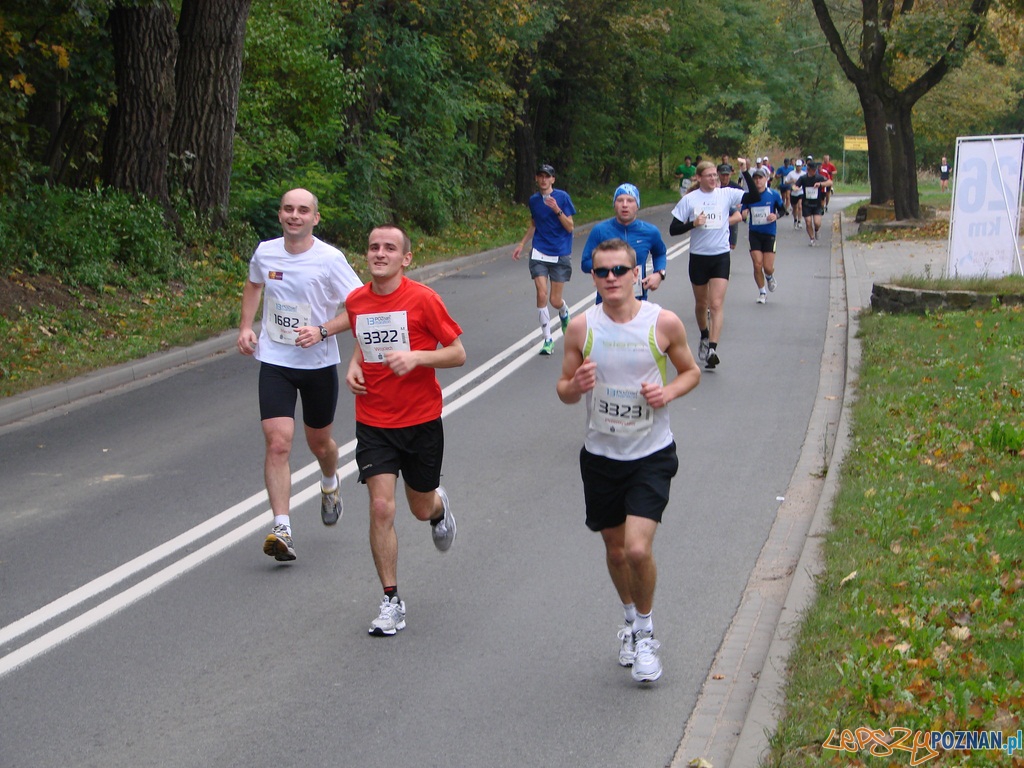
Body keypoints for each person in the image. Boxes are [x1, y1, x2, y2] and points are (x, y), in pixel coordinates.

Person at [556, 238, 701, 684]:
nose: (612, 278)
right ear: (594, 278)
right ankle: (630, 621)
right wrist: (576, 385)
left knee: (638, 548)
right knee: (616, 551)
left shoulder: (664, 323)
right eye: (603, 272)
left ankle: (646, 631)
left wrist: (668, 392)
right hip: (601, 457)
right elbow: (563, 389)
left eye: (621, 270)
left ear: (637, 274)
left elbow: (690, 372)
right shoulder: (582, 328)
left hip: (651, 454)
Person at [344, 224, 466, 636]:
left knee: (418, 507)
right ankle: (391, 600)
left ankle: (438, 506)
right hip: (374, 421)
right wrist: (355, 364)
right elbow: (365, 340)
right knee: (381, 507)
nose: (380, 253)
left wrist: (417, 359)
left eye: (390, 248)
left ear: (405, 258)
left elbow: (458, 352)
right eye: (374, 247)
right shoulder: (356, 301)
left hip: (420, 421)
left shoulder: (423, 300)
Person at [238, 188, 363, 562]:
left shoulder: (330, 259)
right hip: (275, 358)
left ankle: (329, 482)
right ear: (280, 215)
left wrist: (323, 330)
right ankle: (282, 527)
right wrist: (246, 326)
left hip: (318, 363)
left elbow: (360, 306)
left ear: (315, 218)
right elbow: (254, 284)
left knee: (319, 443)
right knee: (278, 442)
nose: (295, 215)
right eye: (289, 209)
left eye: (303, 210)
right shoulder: (266, 251)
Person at [669, 158, 759, 370]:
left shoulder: (726, 194)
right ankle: (703, 335)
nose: (713, 179)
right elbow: (673, 229)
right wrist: (693, 224)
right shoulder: (690, 199)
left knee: (716, 304)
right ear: (698, 178)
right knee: (702, 305)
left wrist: (745, 171)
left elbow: (753, 196)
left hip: (720, 255)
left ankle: (712, 349)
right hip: (699, 257)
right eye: (709, 175)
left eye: (715, 176)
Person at [511, 164, 576, 355]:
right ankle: (548, 339)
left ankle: (563, 312)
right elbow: (534, 224)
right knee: (541, 294)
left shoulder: (562, 198)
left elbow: (570, 226)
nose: (543, 180)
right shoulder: (533, 200)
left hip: (560, 252)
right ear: (536, 179)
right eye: (540, 176)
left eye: (547, 177)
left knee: (554, 300)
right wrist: (522, 244)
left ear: (553, 180)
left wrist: (557, 209)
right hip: (539, 251)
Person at [581, 183, 667, 303]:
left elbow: (660, 253)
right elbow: (585, 263)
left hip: (637, 299)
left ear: (637, 205)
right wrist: (609, 267)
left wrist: (659, 273)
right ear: (614, 205)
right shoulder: (600, 231)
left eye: (630, 200)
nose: (625, 205)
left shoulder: (650, 231)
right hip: (606, 299)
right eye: (620, 200)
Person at [741, 167, 786, 304]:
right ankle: (762, 292)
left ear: (766, 179)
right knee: (757, 264)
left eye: (760, 178)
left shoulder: (773, 194)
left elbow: (783, 210)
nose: (758, 181)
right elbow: (743, 214)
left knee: (767, 267)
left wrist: (776, 215)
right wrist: (744, 215)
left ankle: (769, 276)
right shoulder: (749, 196)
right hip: (754, 234)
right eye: (755, 179)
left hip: (769, 234)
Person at [796, 161, 832, 246]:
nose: (814, 171)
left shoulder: (818, 177)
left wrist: (820, 184)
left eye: (815, 169)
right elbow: (795, 185)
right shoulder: (803, 178)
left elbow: (830, 182)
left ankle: (816, 230)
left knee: (817, 223)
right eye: (812, 170)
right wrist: (795, 188)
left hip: (817, 204)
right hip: (806, 203)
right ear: (808, 170)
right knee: (808, 222)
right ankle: (812, 239)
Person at [785, 159, 806, 230]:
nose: (798, 167)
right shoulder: (791, 173)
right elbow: (786, 181)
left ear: (802, 166)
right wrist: (791, 181)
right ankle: (795, 220)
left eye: (799, 166)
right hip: (793, 192)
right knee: (795, 207)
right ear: (795, 166)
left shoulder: (804, 174)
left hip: (801, 192)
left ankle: (800, 221)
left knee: (800, 206)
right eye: (797, 166)